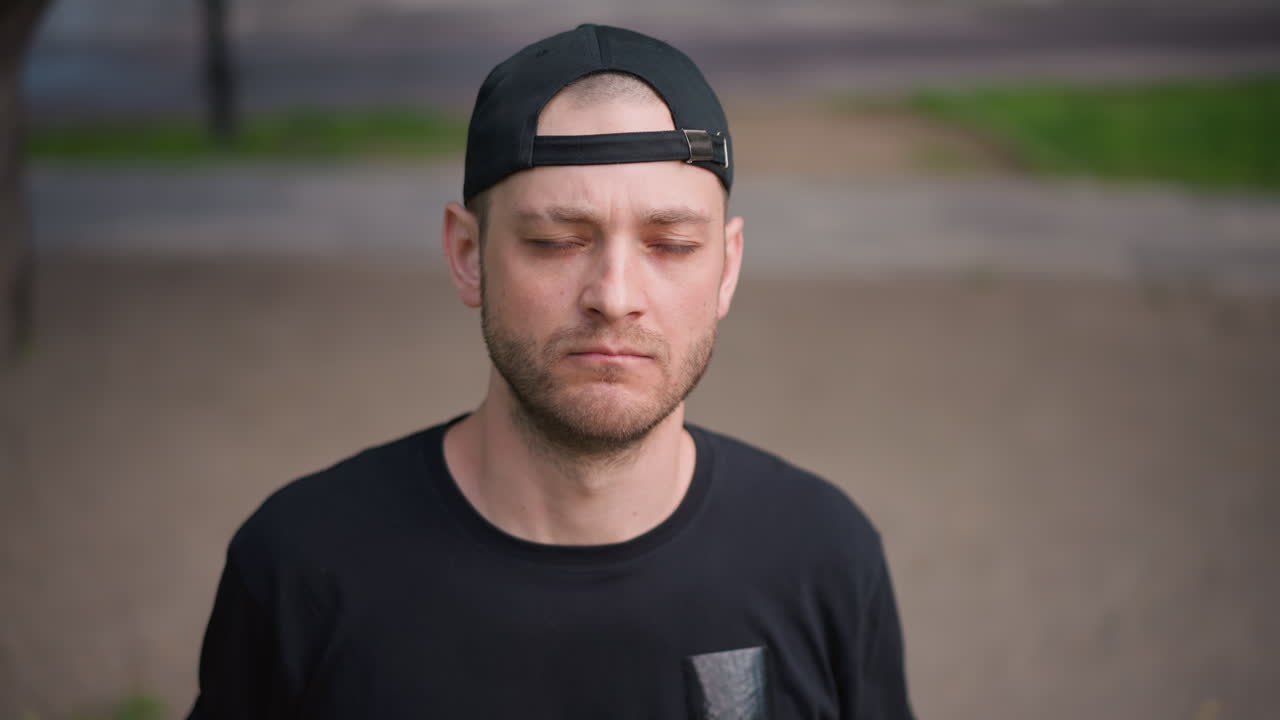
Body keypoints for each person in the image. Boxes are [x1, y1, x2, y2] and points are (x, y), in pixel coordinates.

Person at [187, 24, 913, 720]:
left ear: (727, 267)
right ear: (468, 254)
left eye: (670, 245)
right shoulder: (301, 569)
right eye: (557, 241)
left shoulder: (822, 555)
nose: (615, 296)